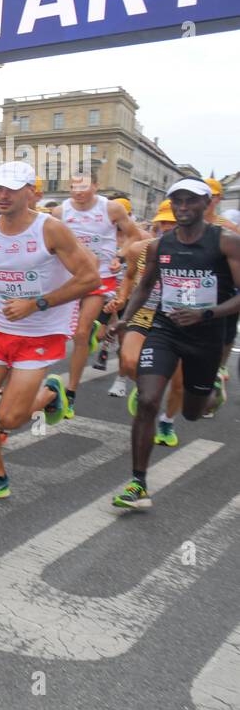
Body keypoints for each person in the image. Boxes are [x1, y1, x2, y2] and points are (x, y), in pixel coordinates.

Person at [0, 162, 100, 504]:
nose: (2, 195)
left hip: (41, 330)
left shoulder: (51, 230)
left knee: (10, 417)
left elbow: (90, 278)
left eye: (11, 189)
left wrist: (38, 303)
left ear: (31, 192)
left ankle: (50, 393)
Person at [107, 179, 240, 509]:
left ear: (206, 203)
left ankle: (212, 389)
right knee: (148, 400)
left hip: (206, 336)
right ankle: (138, 483)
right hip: (165, 330)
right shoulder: (159, 245)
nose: (182, 207)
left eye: (190, 201)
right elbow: (145, 286)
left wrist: (205, 313)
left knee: (194, 413)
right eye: (176, 201)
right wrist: (125, 317)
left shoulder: (226, 243)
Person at [51, 173, 140, 418]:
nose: (78, 192)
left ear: (95, 186)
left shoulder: (111, 208)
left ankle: (70, 393)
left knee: (81, 333)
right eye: (73, 187)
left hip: (100, 278)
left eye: (83, 186)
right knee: (57, 332)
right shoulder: (60, 212)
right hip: (69, 277)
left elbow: (134, 235)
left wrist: (119, 256)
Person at [108, 200, 184, 445]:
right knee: (129, 361)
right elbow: (130, 277)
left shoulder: (199, 253)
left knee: (180, 383)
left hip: (181, 321)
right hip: (145, 313)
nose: (168, 226)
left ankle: (167, 421)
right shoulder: (140, 249)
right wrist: (121, 298)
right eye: (163, 221)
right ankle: (145, 390)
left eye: (172, 221)